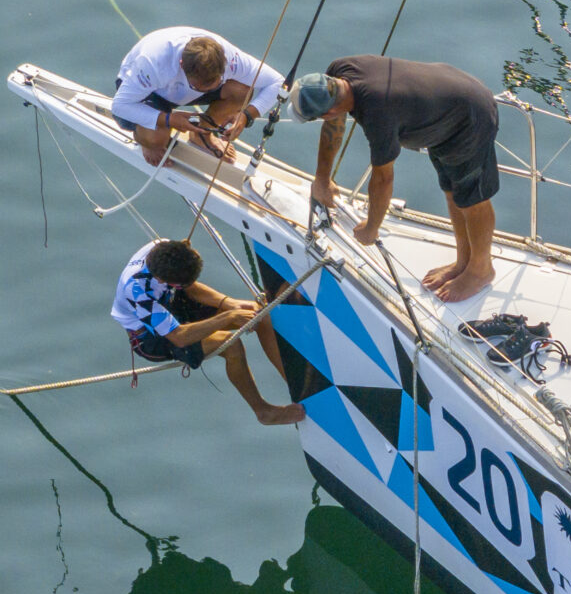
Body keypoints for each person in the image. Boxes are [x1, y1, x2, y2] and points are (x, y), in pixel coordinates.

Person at [289, 55, 499, 302]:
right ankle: (464, 261)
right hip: (442, 116)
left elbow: (383, 180)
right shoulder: (338, 72)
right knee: (453, 190)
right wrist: (322, 179)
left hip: (469, 115)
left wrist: (371, 228)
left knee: (472, 198)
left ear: (329, 109)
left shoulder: (377, 112)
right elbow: (333, 126)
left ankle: (481, 269)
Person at [111, 239, 304, 426]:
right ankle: (263, 411)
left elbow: (190, 287)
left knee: (260, 314)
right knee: (230, 344)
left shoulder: (163, 248)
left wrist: (227, 303)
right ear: (163, 280)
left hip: (170, 305)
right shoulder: (137, 290)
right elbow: (179, 336)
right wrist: (227, 317)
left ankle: (295, 384)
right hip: (153, 336)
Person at [112, 27, 283, 167]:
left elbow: (278, 83)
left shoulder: (231, 59)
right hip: (149, 90)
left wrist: (246, 116)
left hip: (182, 92)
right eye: (201, 86)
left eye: (216, 82)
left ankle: (202, 136)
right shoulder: (154, 63)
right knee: (157, 139)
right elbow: (120, 106)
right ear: (181, 65)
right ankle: (145, 140)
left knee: (241, 90)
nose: (210, 88)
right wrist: (169, 119)